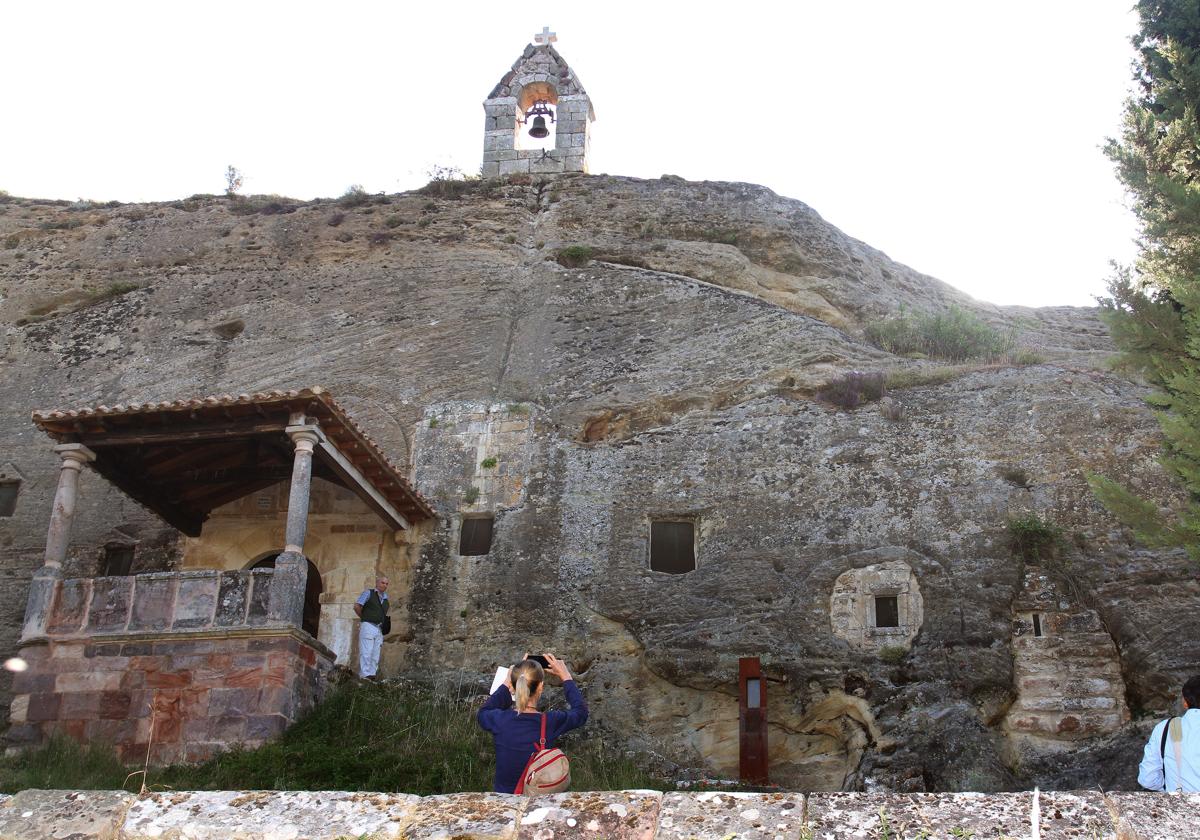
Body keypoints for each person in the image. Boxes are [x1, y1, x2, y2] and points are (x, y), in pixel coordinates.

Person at [477, 653, 588, 793]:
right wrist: (565, 676)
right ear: (541, 687)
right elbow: (581, 713)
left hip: (505, 800)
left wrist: (506, 684)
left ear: (514, 685)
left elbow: (483, 712)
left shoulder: (499, 720)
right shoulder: (550, 722)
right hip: (537, 801)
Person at [1138, 675, 1200, 792]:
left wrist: (1168, 787)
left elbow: (1147, 779)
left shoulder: (1166, 728)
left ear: (1185, 702)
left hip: (1181, 805)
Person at [353, 576, 389, 681]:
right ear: (377, 583)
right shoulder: (368, 593)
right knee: (366, 651)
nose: (385, 585)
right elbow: (357, 606)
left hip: (379, 628)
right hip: (368, 625)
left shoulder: (386, 599)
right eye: (383, 583)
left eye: (387, 584)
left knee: (375, 653)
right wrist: (364, 618)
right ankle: (365, 675)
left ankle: (372, 675)